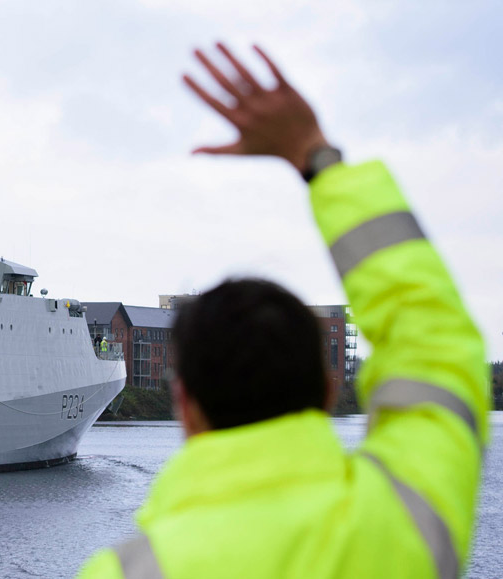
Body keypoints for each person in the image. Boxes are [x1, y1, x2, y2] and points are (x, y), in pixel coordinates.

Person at [79, 44, 487, 578]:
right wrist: (317, 156)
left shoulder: (129, 571)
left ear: (186, 404)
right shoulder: (406, 519)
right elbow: (433, 336)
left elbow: (432, 335)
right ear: (326, 389)